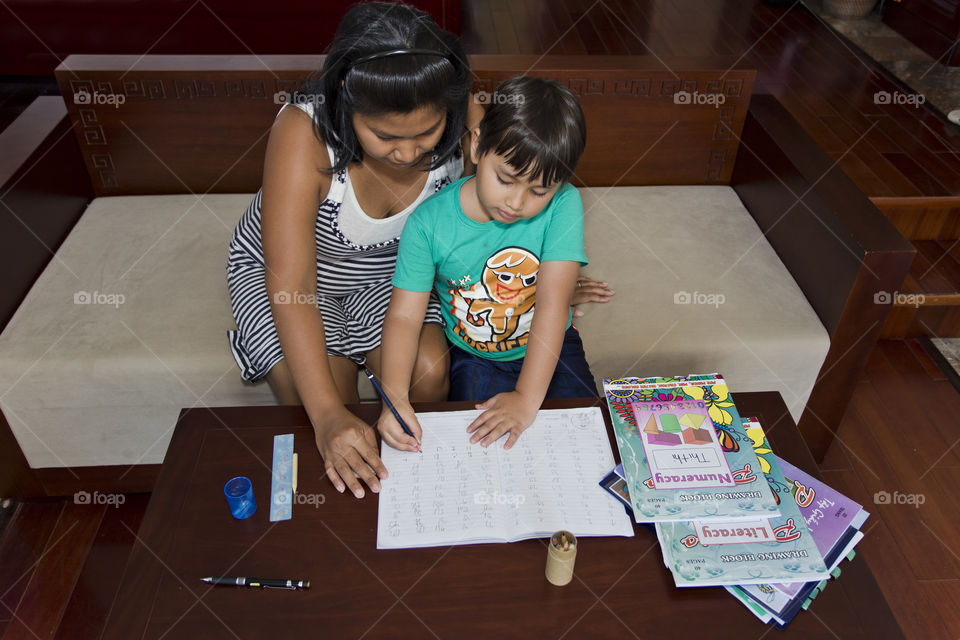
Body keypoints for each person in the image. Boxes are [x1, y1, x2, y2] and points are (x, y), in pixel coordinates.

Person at [227, 2, 611, 500]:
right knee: (326, 402)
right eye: (384, 135)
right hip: (292, 279)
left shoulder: (469, 119)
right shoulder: (304, 133)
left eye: (425, 135)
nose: (407, 154)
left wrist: (539, 280)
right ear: (348, 97)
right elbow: (292, 285)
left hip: (393, 269)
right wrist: (326, 417)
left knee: (429, 372)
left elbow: (491, 221)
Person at [377, 75, 597, 454]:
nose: (516, 202)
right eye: (506, 179)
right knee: (476, 448)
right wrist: (393, 398)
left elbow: (552, 305)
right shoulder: (427, 223)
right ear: (478, 145)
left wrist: (527, 398)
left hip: (552, 348)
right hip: (474, 354)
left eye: (539, 191)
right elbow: (404, 318)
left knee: (585, 437)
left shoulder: (565, 204)